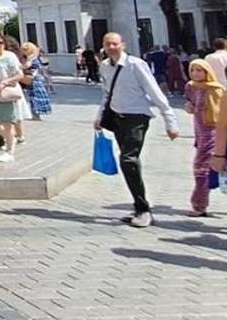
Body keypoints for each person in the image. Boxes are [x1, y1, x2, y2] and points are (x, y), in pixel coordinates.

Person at [95, 32, 180, 228]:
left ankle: (143, 210)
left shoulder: (136, 64)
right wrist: (100, 116)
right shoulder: (105, 66)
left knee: (128, 159)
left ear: (123, 44)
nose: (111, 47)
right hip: (117, 117)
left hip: (137, 117)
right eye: (108, 44)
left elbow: (154, 92)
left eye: (115, 44)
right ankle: (139, 205)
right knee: (128, 161)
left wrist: (170, 121)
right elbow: (107, 93)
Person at [184, 60, 222, 217]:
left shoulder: (216, 89)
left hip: (214, 134)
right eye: (193, 70)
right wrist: (190, 107)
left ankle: (199, 205)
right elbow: (190, 103)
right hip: (200, 134)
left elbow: (220, 115)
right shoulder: (191, 87)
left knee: (201, 169)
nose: (196, 73)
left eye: (200, 70)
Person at [21, 42, 53, 119]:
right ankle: (37, 113)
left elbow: (27, 65)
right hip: (36, 78)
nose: (23, 52)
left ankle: (36, 113)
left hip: (33, 78)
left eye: (24, 50)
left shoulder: (31, 58)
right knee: (36, 95)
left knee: (34, 95)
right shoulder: (33, 57)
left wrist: (19, 67)